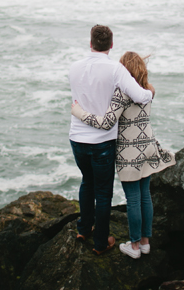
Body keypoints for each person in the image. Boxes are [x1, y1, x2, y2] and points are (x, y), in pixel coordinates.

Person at [71, 51, 175, 259]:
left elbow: (106, 123)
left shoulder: (122, 94)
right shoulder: (148, 90)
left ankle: (134, 246)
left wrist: (79, 112)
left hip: (130, 152)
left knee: (133, 199)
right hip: (149, 147)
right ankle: (145, 242)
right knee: (145, 195)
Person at [68, 25, 155, 255]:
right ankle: (100, 243)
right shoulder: (116, 69)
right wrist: (150, 93)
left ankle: (83, 229)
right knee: (103, 192)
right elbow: (140, 95)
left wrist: (78, 113)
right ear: (111, 45)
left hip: (77, 138)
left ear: (90, 43)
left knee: (87, 181)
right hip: (102, 142)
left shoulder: (73, 67)